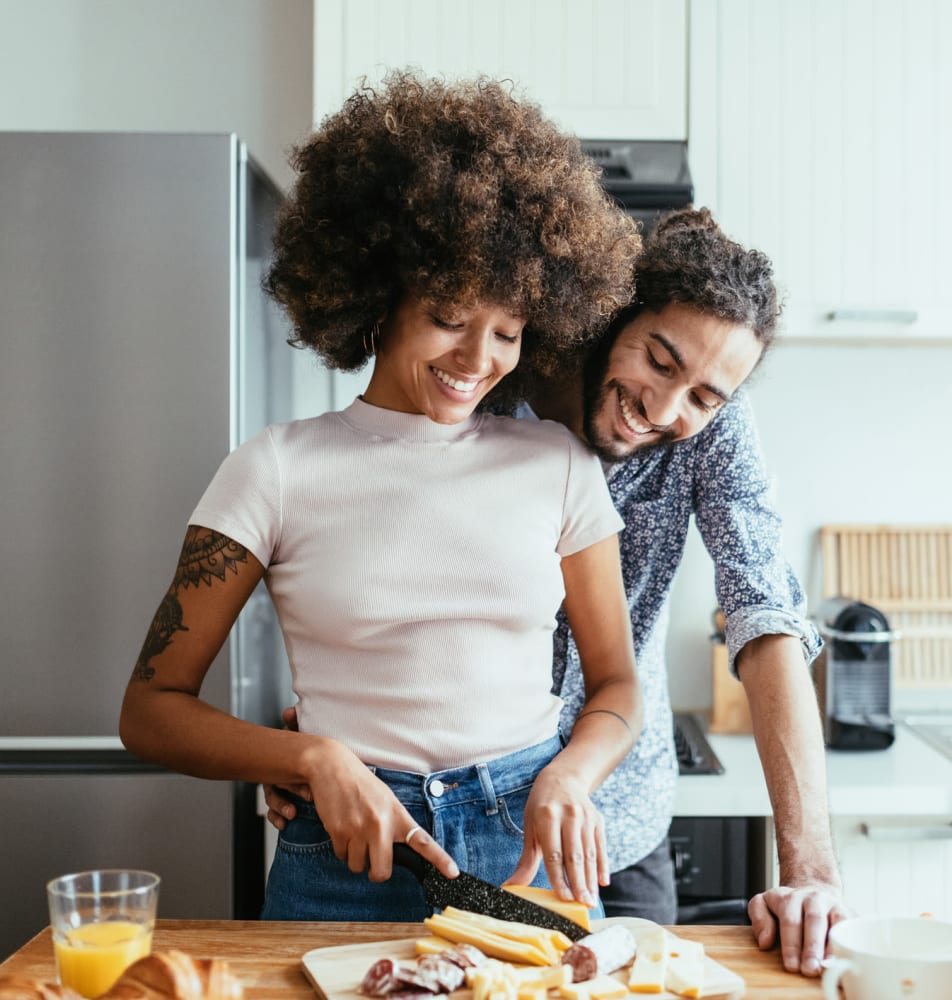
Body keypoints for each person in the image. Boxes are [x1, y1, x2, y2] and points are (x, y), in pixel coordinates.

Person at [119, 70, 646, 922]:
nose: (478, 357)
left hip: (524, 847)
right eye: (448, 315)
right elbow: (150, 712)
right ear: (379, 295)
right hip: (342, 853)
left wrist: (571, 773)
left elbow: (618, 682)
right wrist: (310, 761)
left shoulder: (557, 464)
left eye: (508, 331)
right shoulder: (275, 469)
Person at [265, 207, 849, 974]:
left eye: (705, 396)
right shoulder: (484, 384)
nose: (667, 410)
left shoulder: (714, 427)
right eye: (658, 361)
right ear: (614, 315)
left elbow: (764, 611)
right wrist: (325, 732)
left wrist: (809, 870)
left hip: (609, 829)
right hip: (423, 824)